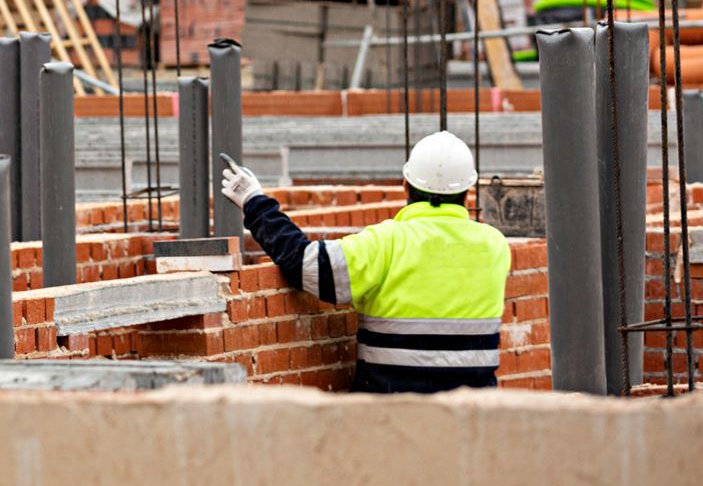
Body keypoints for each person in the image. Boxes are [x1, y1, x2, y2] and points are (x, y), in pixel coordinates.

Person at [219, 130, 511, 393]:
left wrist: (254, 201)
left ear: (405, 187)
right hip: (473, 423)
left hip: (390, 421)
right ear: (467, 191)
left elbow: (306, 265)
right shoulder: (496, 246)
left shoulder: (387, 243)